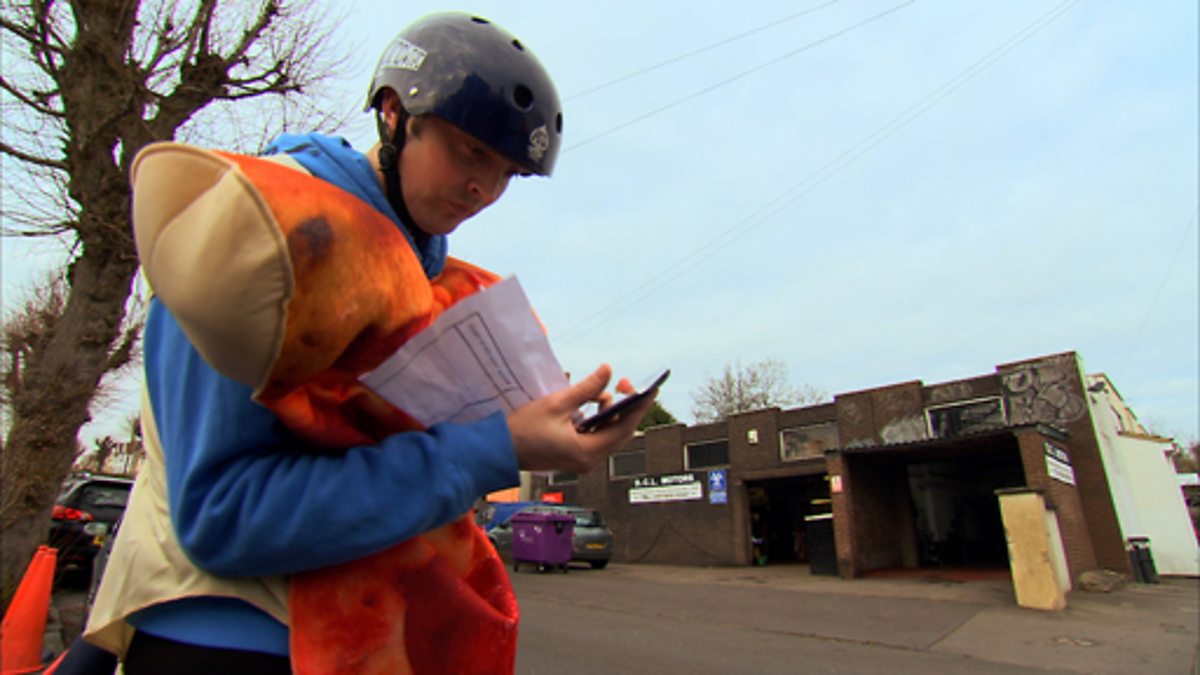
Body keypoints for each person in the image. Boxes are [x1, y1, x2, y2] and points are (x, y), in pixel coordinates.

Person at [83, 12, 653, 673]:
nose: (485, 189)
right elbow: (222, 514)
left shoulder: (421, 272)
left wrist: (534, 426)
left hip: (347, 638)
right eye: (471, 151)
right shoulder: (263, 229)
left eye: (507, 173)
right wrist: (495, 448)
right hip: (228, 639)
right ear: (392, 113)